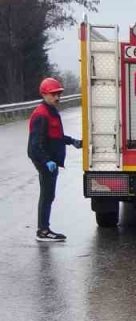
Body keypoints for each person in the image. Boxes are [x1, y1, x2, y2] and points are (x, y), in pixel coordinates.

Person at [27, 77, 81, 242]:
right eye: (53, 94)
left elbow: (55, 136)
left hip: (51, 161)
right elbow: (35, 145)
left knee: (49, 195)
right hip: (45, 162)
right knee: (47, 195)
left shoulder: (51, 111)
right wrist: (46, 161)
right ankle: (43, 231)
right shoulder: (41, 115)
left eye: (58, 94)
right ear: (44, 94)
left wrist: (72, 141)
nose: (57, 97)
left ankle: (44, 229)